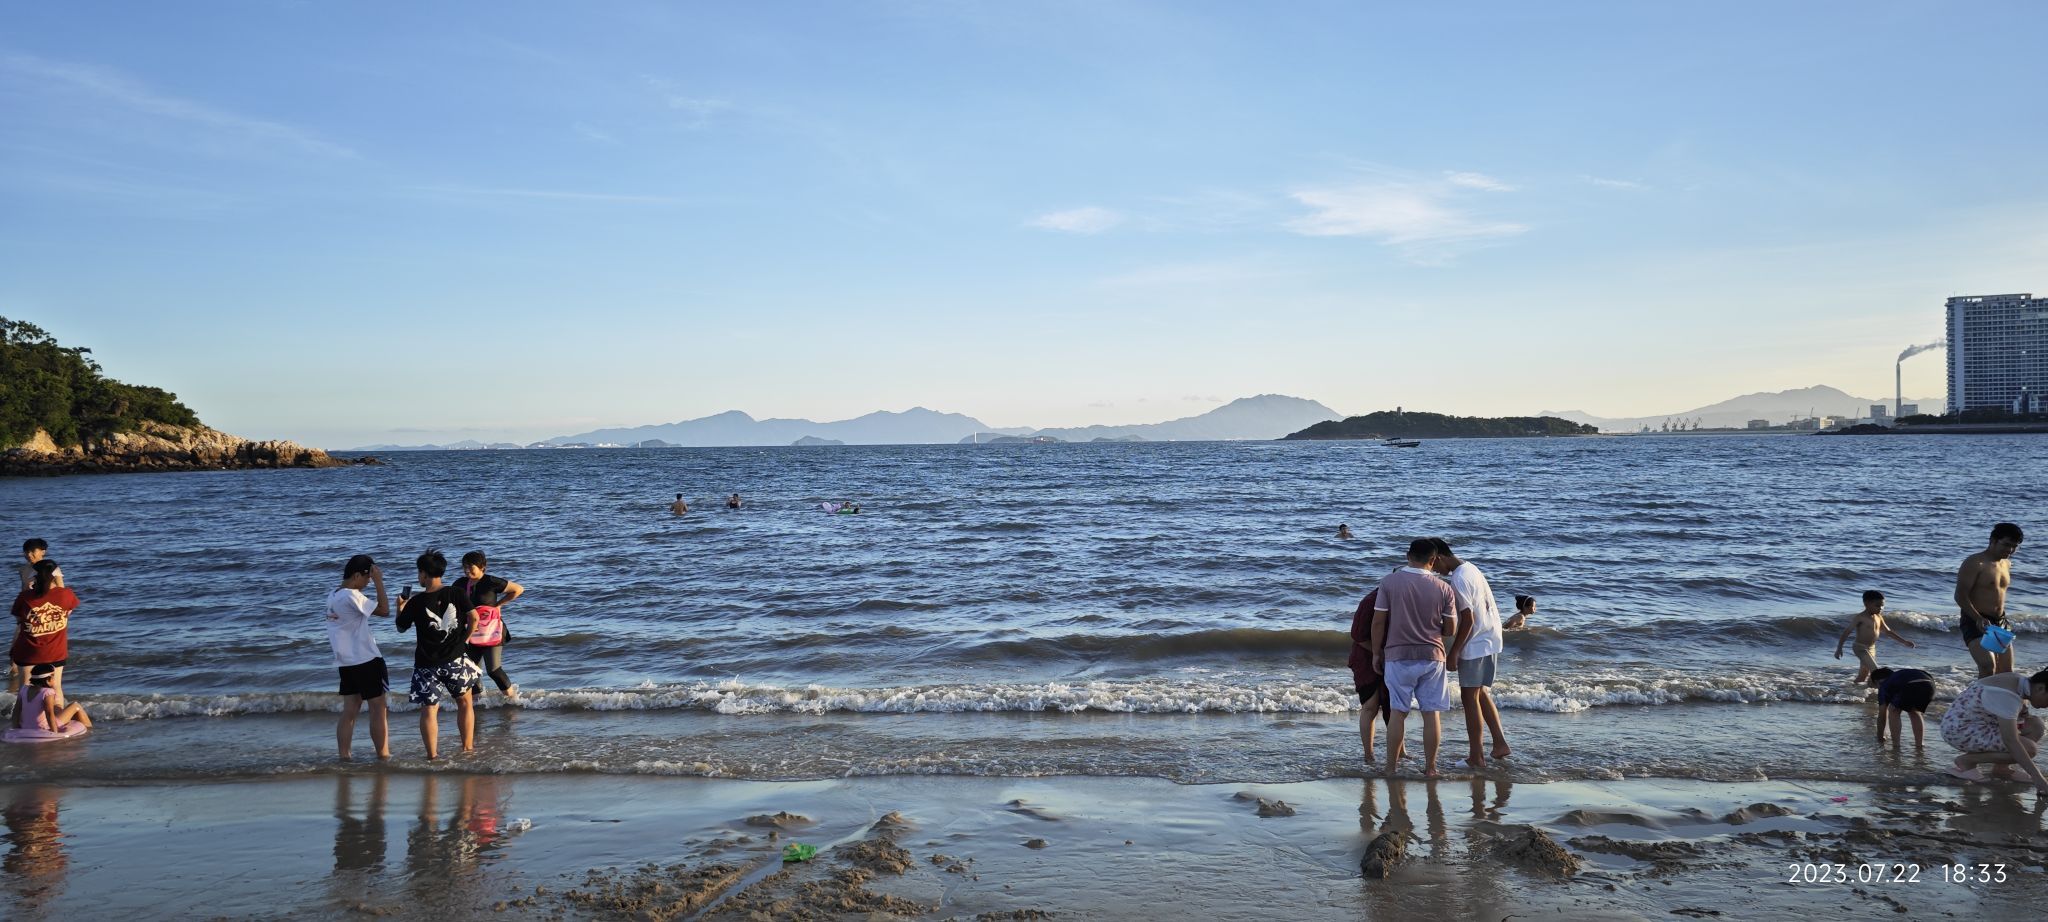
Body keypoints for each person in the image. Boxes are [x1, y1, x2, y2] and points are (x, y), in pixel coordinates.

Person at [1370, 538, 1469, 778]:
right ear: (1433, 560)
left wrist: (1376, 652)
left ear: (1408, 555)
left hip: (1397, 654)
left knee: (1397, 712)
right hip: (1433, 655)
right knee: (1431, 714)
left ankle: (1391, 768)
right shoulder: (1443, 588)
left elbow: (1379, 622)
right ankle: (1431, 768)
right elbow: (1450, 629)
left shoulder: (1389, 582)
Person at [1431, 538, 1509, 768]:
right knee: (1480, 693)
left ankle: (1476, 756)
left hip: (1476, 642)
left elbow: (1468, 619)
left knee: (1469, 698)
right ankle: (1499, 743)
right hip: (1490, 637)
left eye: (1435, 565)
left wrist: (1454, 652)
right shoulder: (1471, 568)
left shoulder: (1459, 579)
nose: (1435, 571)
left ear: (1440, 557)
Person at [396, 550, 480, 760]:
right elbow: (475, 618)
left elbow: (400, 627)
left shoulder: (415, 602)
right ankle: (467, 749)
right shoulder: (456, 593)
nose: (419, 577)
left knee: (429, 710)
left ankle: (432, 756)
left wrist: (400, 608)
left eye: (419, 573)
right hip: (455, 658)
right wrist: (465, 639)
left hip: (426, 664)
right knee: (465, 702)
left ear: (424, 574)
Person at [326, 554, 392, 761]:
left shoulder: (333, 595)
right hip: (366, 659)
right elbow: (384, 610)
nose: (368, 583)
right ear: (357, 575)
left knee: (350, 711)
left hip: (346, 662)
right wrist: (380, 583)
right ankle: (383, 755)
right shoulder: (351, 595)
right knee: (378, 710)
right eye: (368, 579)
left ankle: (344, 756)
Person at [1939, 668, 2048, 791]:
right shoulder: (2008, 696)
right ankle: (1967, 761)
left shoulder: (2017, 680)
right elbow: (2010, 740)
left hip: (1969, 722)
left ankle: (2001, 769)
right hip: (1960, 731)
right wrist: (2037, 777)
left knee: (2036, 725)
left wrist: (2021, 709)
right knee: (2029, 749)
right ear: (2040, 688)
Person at [1956, 522, 2023, 678]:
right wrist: (1978, 618)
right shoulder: (1975, 562)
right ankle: (1977, 701)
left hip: (2000, 622)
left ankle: (1998, 702)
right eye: (2006, 545)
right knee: (1987, 667)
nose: (2010, 550)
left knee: (2006, 673)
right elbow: (1960, 595)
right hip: (1975, 620)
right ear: (1993, 540)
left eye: (2014, 547)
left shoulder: (2006, 563)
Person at [455, 551, 524, 700]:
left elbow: (518, 589)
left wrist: (499, 605)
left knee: (493, 670)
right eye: (464, 567)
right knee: (471, 670)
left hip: (492, 632)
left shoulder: (491, 581)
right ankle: (479, 704)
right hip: (470, 632)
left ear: (482, 567)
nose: (467, 571)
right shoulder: (460, 583)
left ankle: (512, 700)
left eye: (470, 567)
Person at [9, 561, 73, 704]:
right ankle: (57, 721)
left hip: (28, 650)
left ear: (34, 577)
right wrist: (59, 579)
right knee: (56, 687)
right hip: (55, 651)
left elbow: (19, 620)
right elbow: (68, 612)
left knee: (24, 687)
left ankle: (21, 721)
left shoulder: (24, 597)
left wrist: (26, 587)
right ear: (55, 577)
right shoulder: (66, 594)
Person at [1348, 573, 1395, 765]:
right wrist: (1379, 653)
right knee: (1370, 706)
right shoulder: (1370, 601)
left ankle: (1400, 751)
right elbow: (1358, 635)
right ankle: (1369, 755)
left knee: (1393, 707)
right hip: (1366, 659)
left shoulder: (1399, 600)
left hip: (1390, 657)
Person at [1833, 590, 1915, 683]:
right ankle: (1882, 692)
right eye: (1877, 605)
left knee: (1863, 675)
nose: (1881, 608)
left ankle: (1855, 692)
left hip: (1871, 648)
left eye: (1882, 605)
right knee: (1876, 672)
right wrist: (1839, 648)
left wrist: (1904, 641)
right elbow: (1846, 632)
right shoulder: (1860, 617)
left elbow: (1887, 631)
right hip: (1860, 648)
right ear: (1867, 603)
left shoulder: (1878, 616)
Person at [11, 664, 88, 735]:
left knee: (57, 709)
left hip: (25, 726)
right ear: (48, 680)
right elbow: (49, 714)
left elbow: (16, 711)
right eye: (53, 676)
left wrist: (16, 729)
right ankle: (90, 730)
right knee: (75, 705)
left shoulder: (24, 689)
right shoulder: (47, 692)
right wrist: (55, 733)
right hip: (44, 727)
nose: (54, 679)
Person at [1866, 666, 1933, 747]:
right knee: (1914, 711)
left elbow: (1882, 717)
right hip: (1930, 685)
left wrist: (1880, 737)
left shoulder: (1884, 685)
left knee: (1894, 710)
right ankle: (1920, 745)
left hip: (1910, 685)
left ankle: (1896, 745)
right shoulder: (1898, 676)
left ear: (1877, 682)